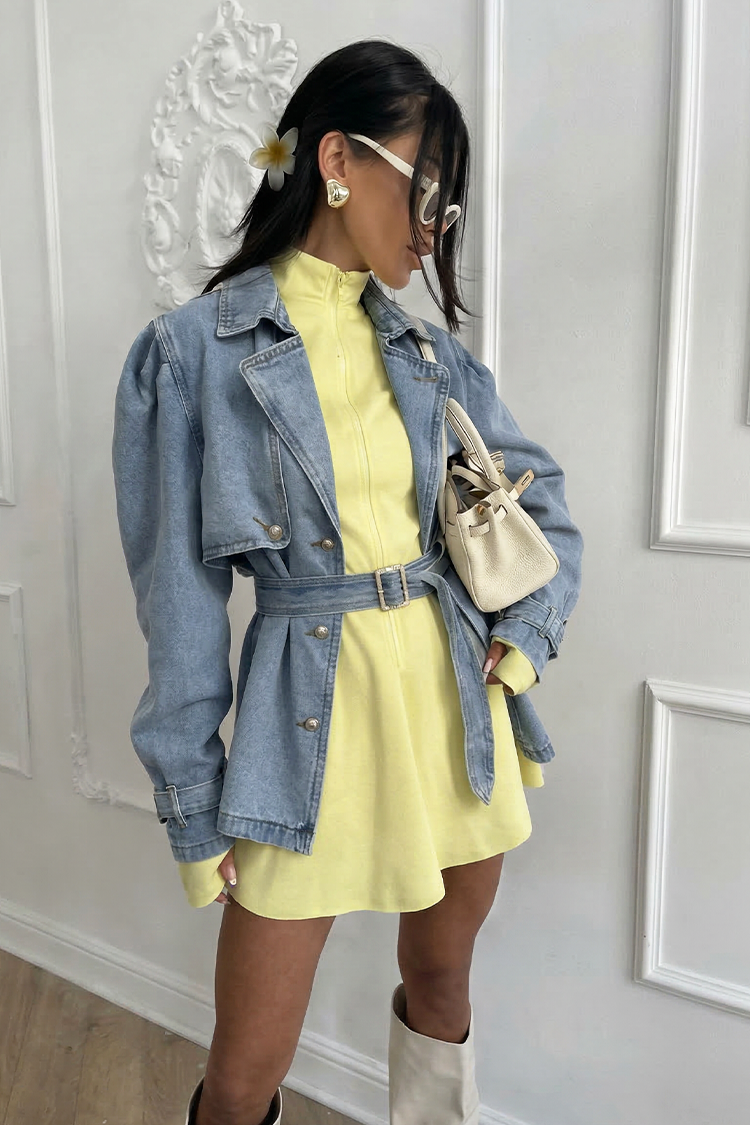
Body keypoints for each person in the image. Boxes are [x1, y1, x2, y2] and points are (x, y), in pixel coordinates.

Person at [112, 38, 583, 1125]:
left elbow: (541, 501)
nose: (435, 230)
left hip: (456, 715)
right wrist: (194, 800)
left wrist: (524, 642)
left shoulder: (428, 356)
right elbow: (178, 604)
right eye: (427, 191)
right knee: (244, 1073)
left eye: (448, 210)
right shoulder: (192, 356)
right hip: (303, 730)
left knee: (444, 983)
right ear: (336, 160)